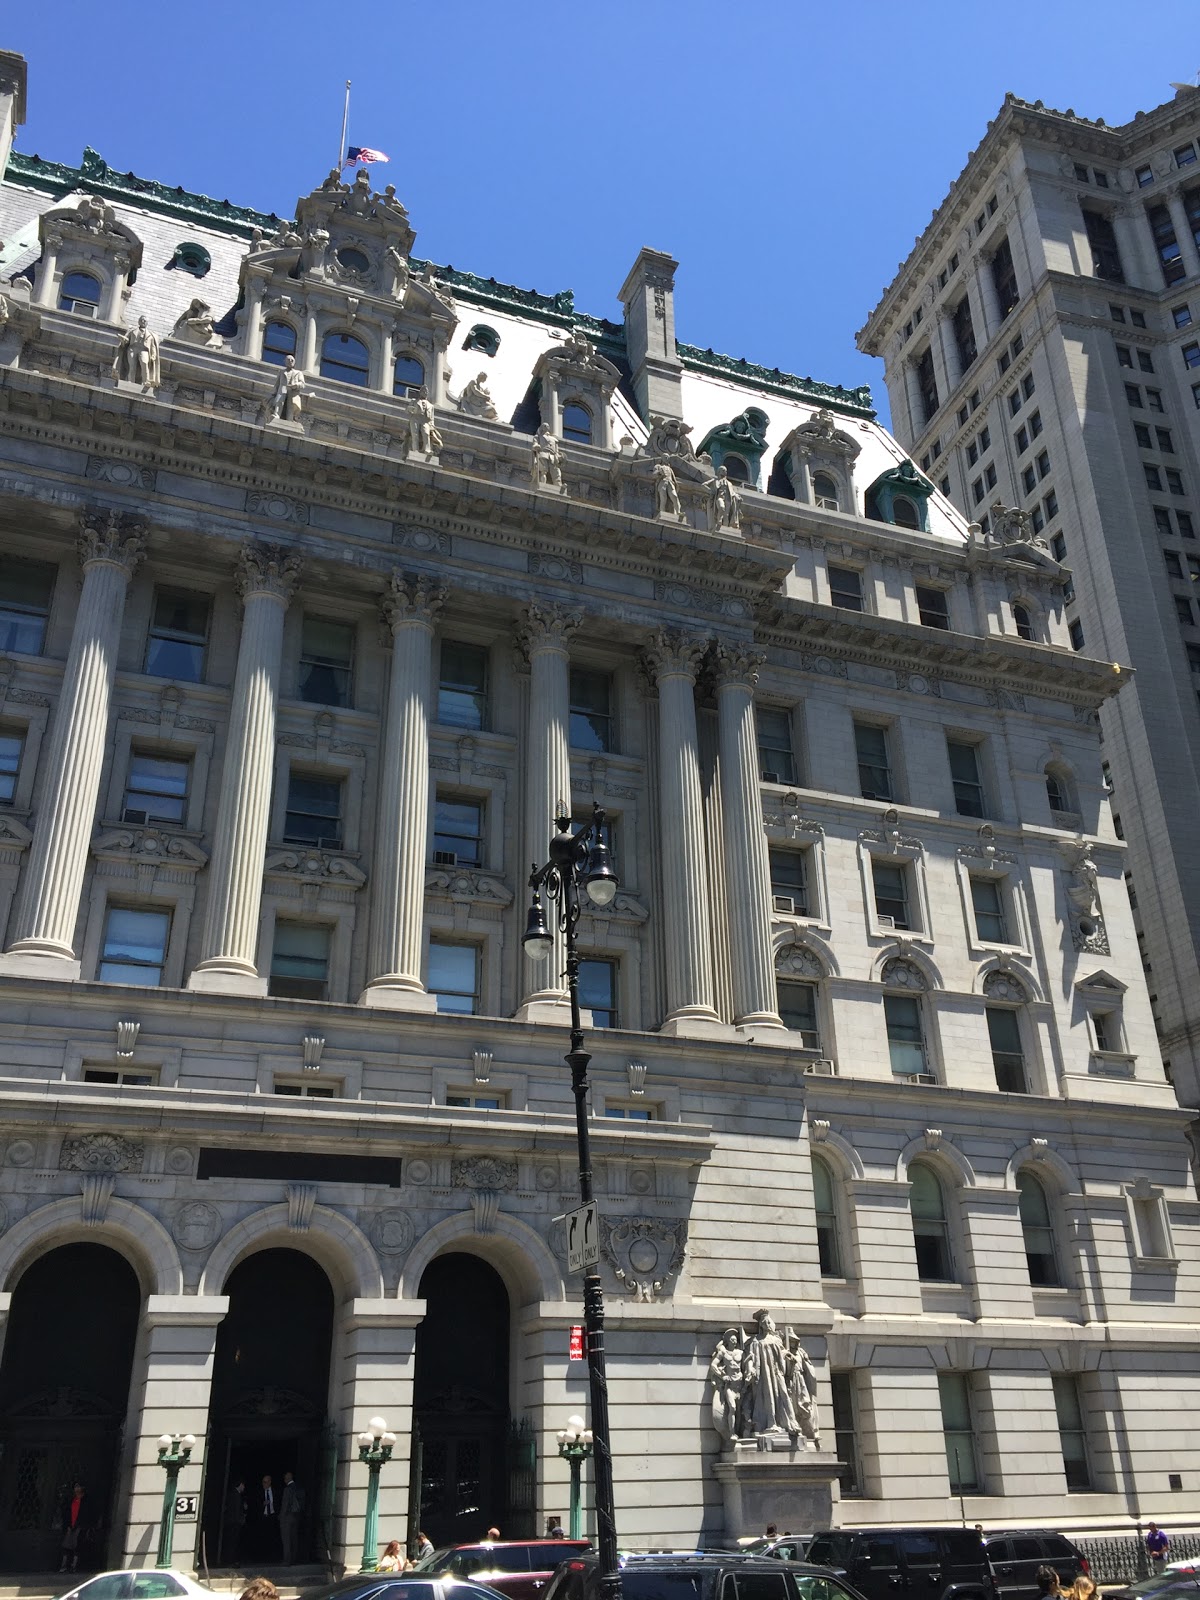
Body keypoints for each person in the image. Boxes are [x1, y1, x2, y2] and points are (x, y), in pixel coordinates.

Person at [57, 1481, 87, 1572]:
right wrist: (68, 1525)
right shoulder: (70, 1500)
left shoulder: (86, 1501)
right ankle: (64, 1566)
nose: (77, 1489)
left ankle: (74, 1566)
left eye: (79, 1487)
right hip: (70, 1526)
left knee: (77, 1547)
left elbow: (87, 1515)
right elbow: (66, 1513)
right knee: (66, 1546)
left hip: (80, 1527)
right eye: (75, 1487)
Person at [279, 1469, 305, 1564]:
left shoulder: (287, 1489)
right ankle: (294, 1559)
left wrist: (281, 1517)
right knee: (294, 1538)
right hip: (296, 1517)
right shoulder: (300, 1488)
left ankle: (287, 1560)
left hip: (287, 1517)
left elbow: (285, 1505)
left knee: (286, 1539)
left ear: (286, 1479)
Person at [224, 1477, 248, 1564]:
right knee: (232, 1542)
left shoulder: (232, 1494)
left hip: (231, 1521)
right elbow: (236, 1510)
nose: (244, 1487)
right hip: (234, 1522)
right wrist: (241, 1520)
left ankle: (230, 1559)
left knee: (231, 1542)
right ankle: (231, 1560)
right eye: (243, 1485)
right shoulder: (236, 1495)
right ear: (240, 1485)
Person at [259, 1474, 278, 1561]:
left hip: (272, 1516)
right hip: (263, 1517)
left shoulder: (275, 1491)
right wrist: (262, 1504)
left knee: (272, 1537)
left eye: (266, 1482)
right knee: (262, 1537)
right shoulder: (259, 1491)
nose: (264, 1484)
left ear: (270, 1482)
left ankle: (272, 1556)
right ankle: (262, 1556)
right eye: (263, 1482)